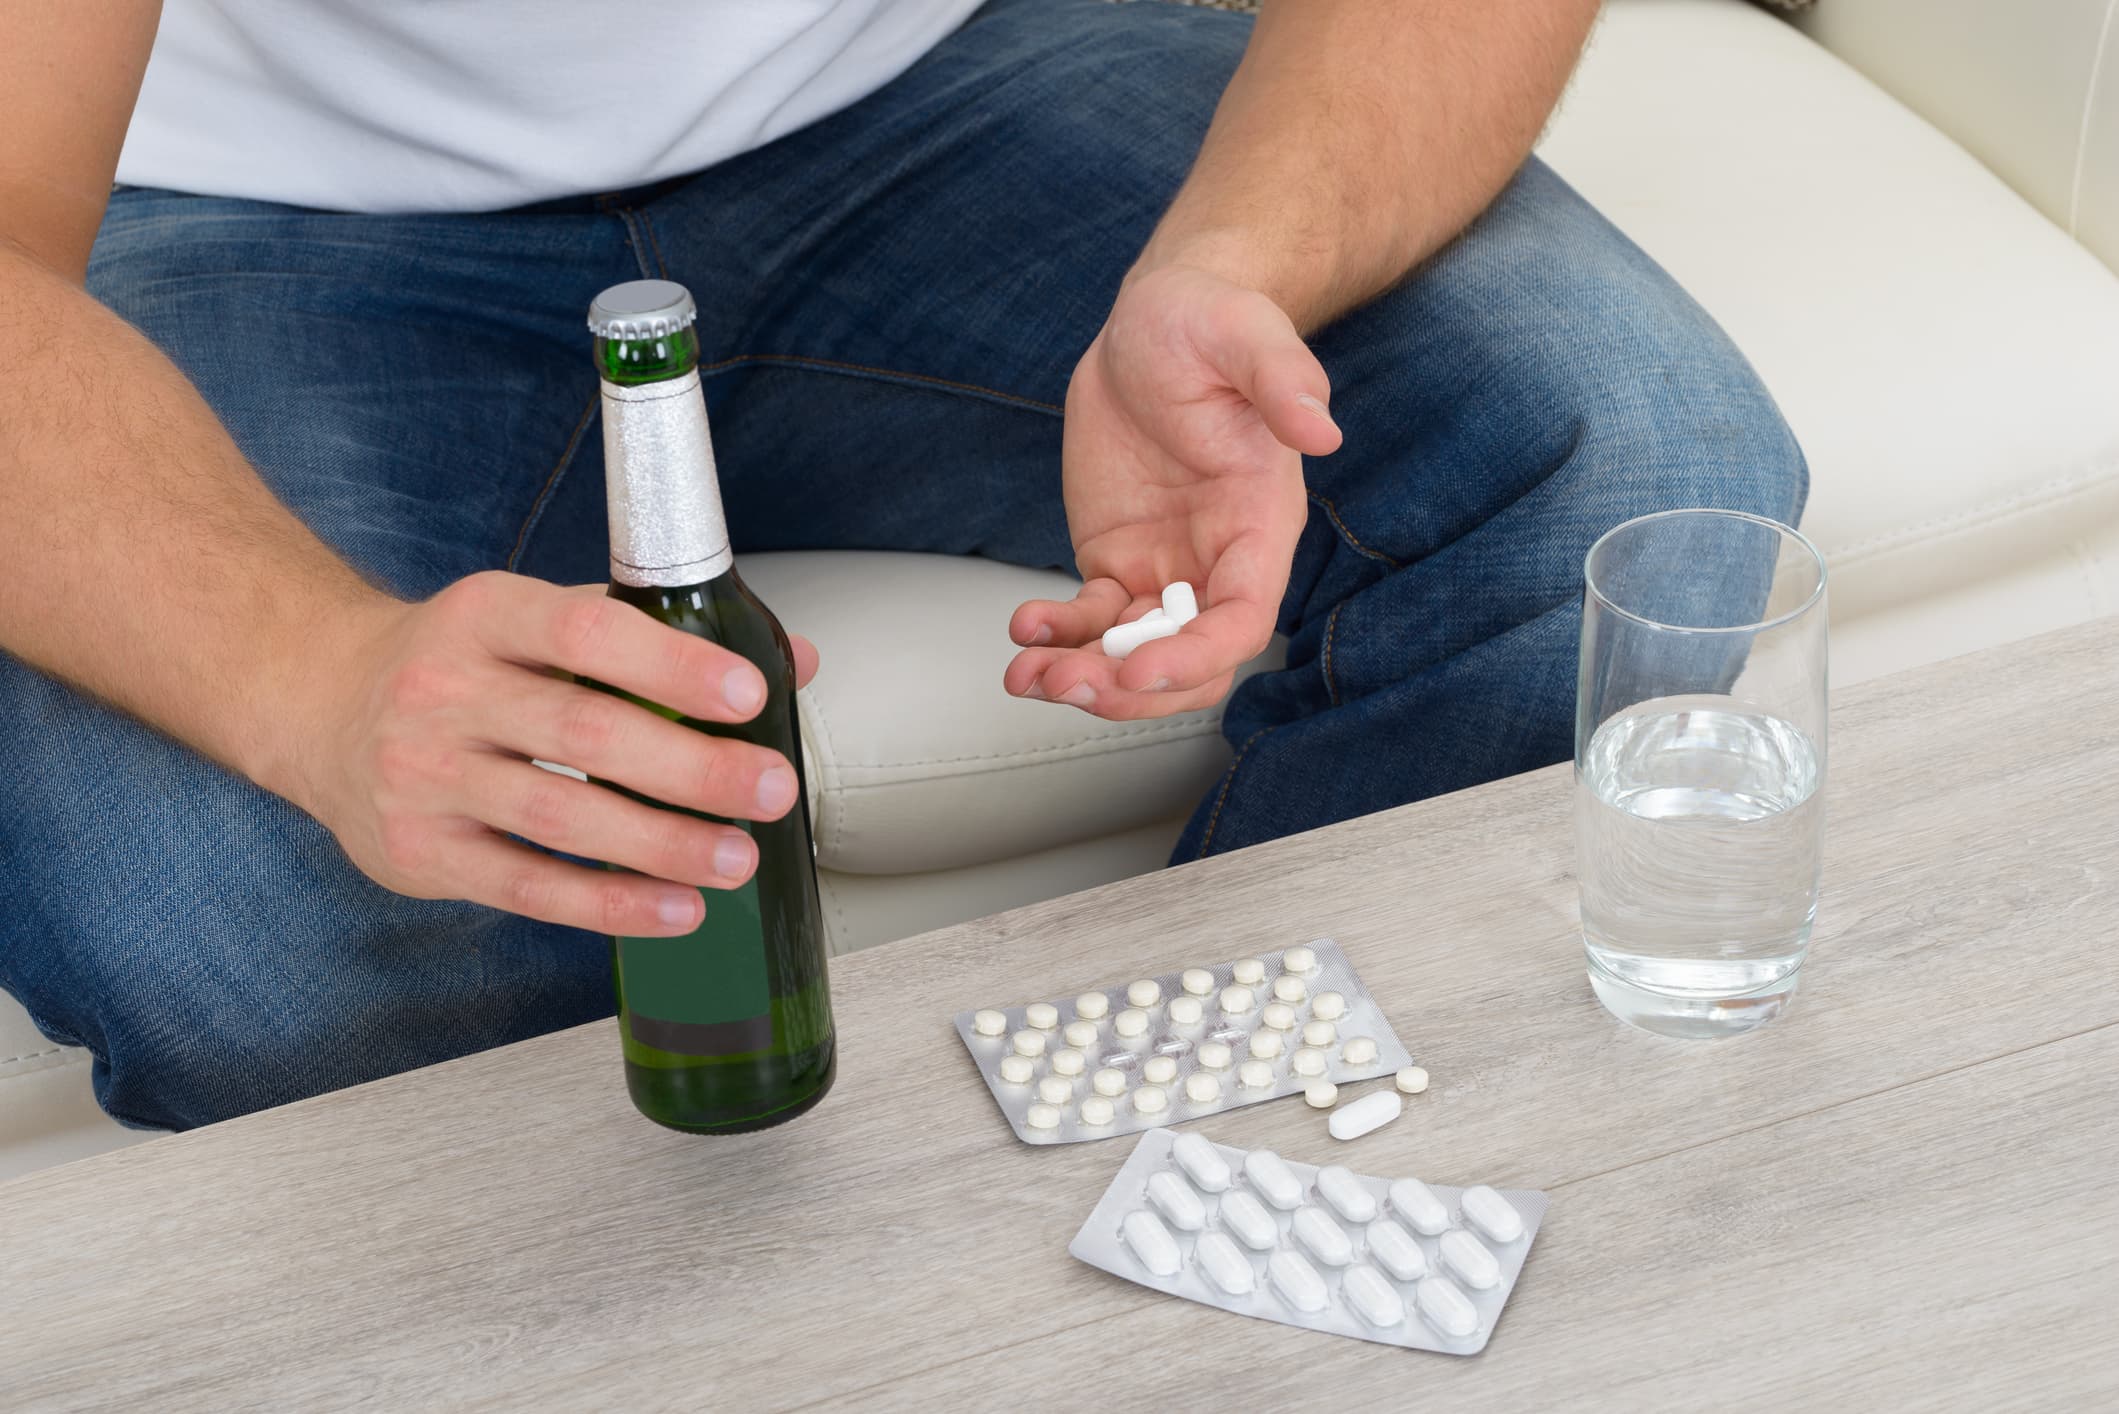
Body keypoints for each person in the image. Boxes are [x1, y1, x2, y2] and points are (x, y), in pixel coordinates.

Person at [0, 0, 1805, 1131]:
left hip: (934, 69)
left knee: (1627, 464)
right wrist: (315, 683)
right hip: (220, 199)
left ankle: (1175, 1187)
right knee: (263, 941)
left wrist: (1239, 261)